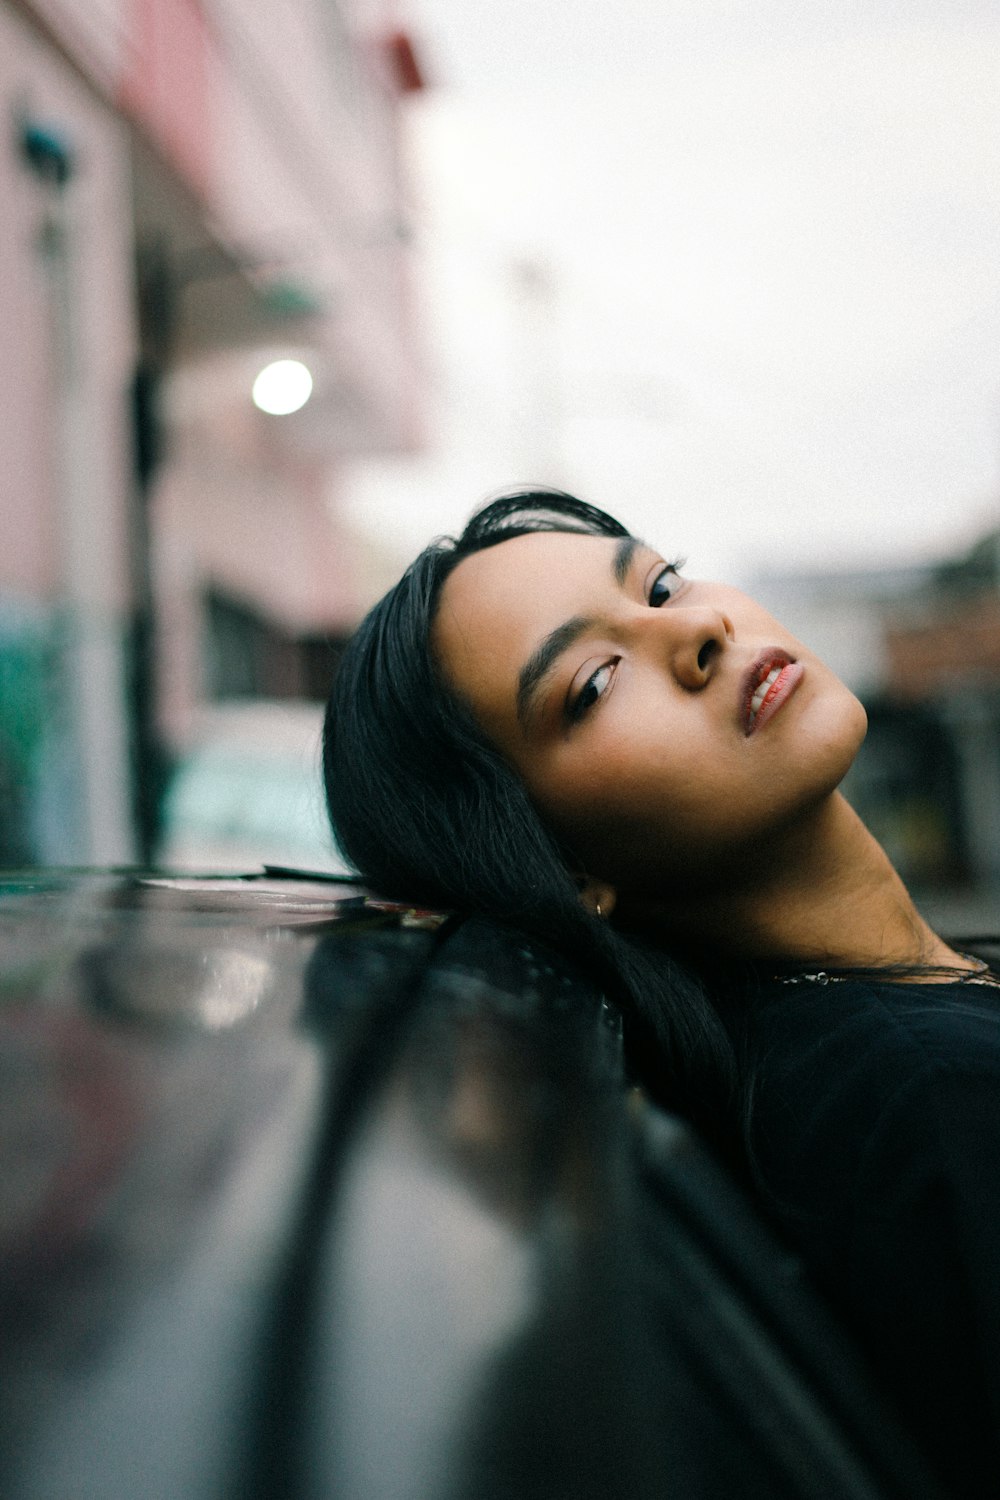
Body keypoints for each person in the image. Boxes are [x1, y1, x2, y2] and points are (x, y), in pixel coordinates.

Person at [323, 487, 1000, 1496]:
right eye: (593, 684)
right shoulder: (923, 1100)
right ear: (556, 871)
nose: (693, 631)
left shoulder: (881, 1036)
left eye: (661, 582)